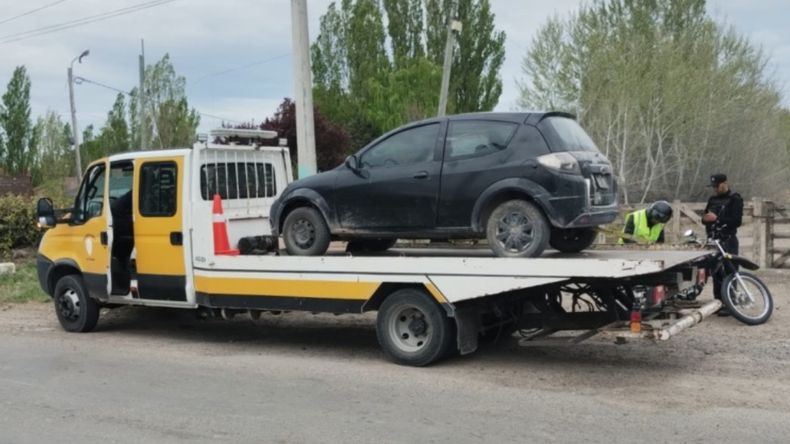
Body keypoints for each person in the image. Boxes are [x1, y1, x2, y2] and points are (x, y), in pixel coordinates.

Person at [702, 173, 743, 316]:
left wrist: (717, 218)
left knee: (729, 271)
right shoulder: (712, 199)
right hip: (714, 240)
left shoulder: (735, 199)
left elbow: (736, 221)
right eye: (713, 186)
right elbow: (705, 218)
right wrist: (706, 219)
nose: (715, 189)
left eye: (717, 186)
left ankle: (731, 302)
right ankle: (718, 302)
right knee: (716, 272)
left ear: (725, 183)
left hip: (728, 240)